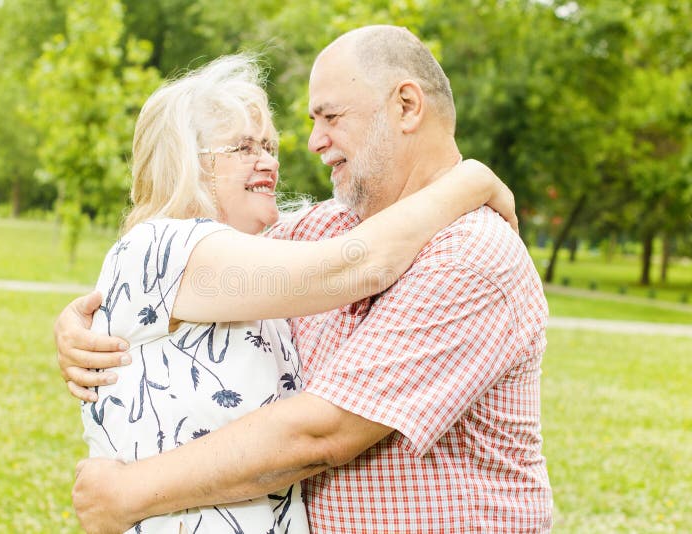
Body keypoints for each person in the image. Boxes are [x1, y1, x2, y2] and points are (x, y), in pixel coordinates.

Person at [57, 26, 551, 533]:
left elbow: (322, 432)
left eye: (331, 117)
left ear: (406, 106)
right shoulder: (331, 230)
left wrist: (128, 492)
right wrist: (87, 319)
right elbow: (190, 267)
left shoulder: (470, 254)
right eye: (246, 147)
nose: (311, 143)